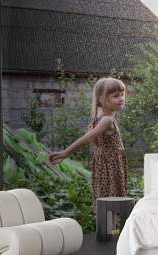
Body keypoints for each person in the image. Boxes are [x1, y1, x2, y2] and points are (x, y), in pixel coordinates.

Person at [49, 77, 128, 229]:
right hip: (110, 165)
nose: (121, 99)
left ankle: (109, 231)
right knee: (110, 200)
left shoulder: (100, 116)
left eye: (122, 94)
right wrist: (66, 152)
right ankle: (111, 232)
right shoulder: (106, 121)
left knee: (107, 199)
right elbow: (88, 137)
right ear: (102, 99)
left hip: (106, 163)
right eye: (115, 96)